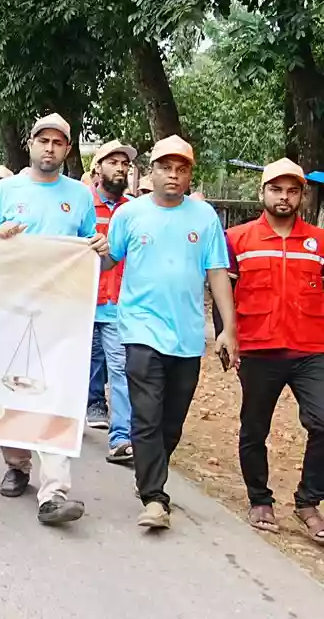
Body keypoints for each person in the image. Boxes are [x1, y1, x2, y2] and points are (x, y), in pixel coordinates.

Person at [102, 135, 236, 530]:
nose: (173, 175)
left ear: (190, 175)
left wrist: (228, 329)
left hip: (188, 335)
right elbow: (109, 259)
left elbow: (217, 273)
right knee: (146, 414)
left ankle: (149, 470)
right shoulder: (129, 214)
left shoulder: (204, 217)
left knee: (171, 421)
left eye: (181, 169)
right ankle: (155, 498)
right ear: (152, 171)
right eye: (165, 167)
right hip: (140, 329)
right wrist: (87, 252)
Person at [0, 113, 108, 526]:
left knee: (55, 392)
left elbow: (91, 252)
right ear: (30, 144)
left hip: (61, 311)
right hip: (11, 307)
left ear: (67, 150)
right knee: (13, 388)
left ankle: (54, 492)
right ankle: (17, 464)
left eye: (58, 142)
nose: (49, 148)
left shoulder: (80, 196)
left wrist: (99, 248)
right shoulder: (4, 192)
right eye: (43, 140)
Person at [224, 158, 324, 544]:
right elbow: (224, 295)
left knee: (322, 422)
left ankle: (308, 502)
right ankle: (260, 500)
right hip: (258, 349)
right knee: (255, 428)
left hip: (311, 348)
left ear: (302, 196)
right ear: (262, 192)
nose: (284, 197)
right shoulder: (238, 239)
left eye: (292, 191)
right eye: (276, 189)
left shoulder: (318, 241)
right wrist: (227, 336)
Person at [88, 140, 137, 461]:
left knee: (120, 370)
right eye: (113, 162)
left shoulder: (134, 210)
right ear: (97, 168)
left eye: (124, 164)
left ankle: (121, 437)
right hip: (78, 301)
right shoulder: (80, 204)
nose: (120, 168)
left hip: (117, 304)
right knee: (69, 367)